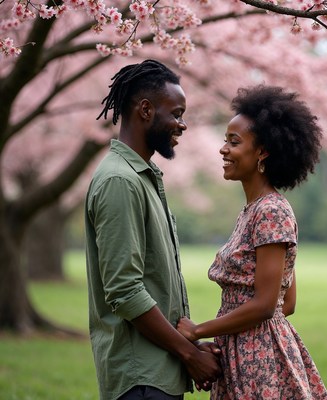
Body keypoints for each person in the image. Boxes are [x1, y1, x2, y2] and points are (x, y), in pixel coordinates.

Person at [177, 85, 327, 400]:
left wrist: (197, 331)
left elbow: (267, 305)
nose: (223, 149)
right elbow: (285, 303)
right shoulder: (253, 211)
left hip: (258, 358)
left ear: (262, 152)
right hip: (242, 349)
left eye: (234, 142)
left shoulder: (271, 211)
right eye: (225, 140)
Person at [85, 59, 221, 400]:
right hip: (140, 380)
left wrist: (189, 343)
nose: (183, 125)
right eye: (176, 113)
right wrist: (188, 354)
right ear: (145, 110)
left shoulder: (140, 177)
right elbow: (125, 291)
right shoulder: (120, 181)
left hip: (155, 373)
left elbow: (150, 283)